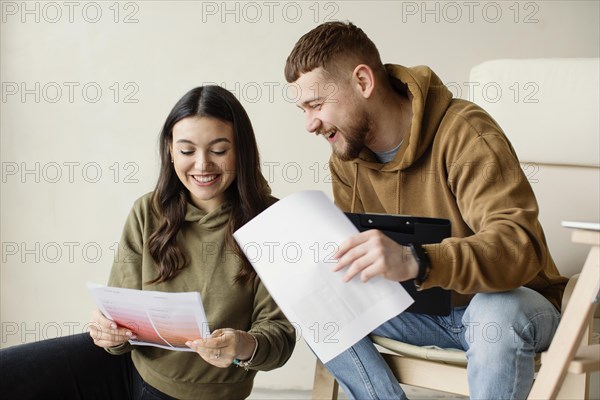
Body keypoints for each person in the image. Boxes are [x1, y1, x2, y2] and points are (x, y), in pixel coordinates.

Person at [284, 21, 567, 399]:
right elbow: (356, 265)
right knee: (316, 306)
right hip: (424, 313)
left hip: (512, 306)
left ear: (363, 82)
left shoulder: (465, 133)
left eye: (316, 105)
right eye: (304, 109)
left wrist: (416, 259)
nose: (310, 124)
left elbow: (520, 247)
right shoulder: (346, 158)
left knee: (492, 315)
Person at [0, 85, 296, 399]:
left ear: (242, 150)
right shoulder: (148, 210)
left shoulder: (272, 222)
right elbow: (119, 318)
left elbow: (279, 338)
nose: (201, 164)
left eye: (219, 151)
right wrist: (109, 332)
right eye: (186, 151)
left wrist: (243, 345)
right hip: (130, 368)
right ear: (170, 150)